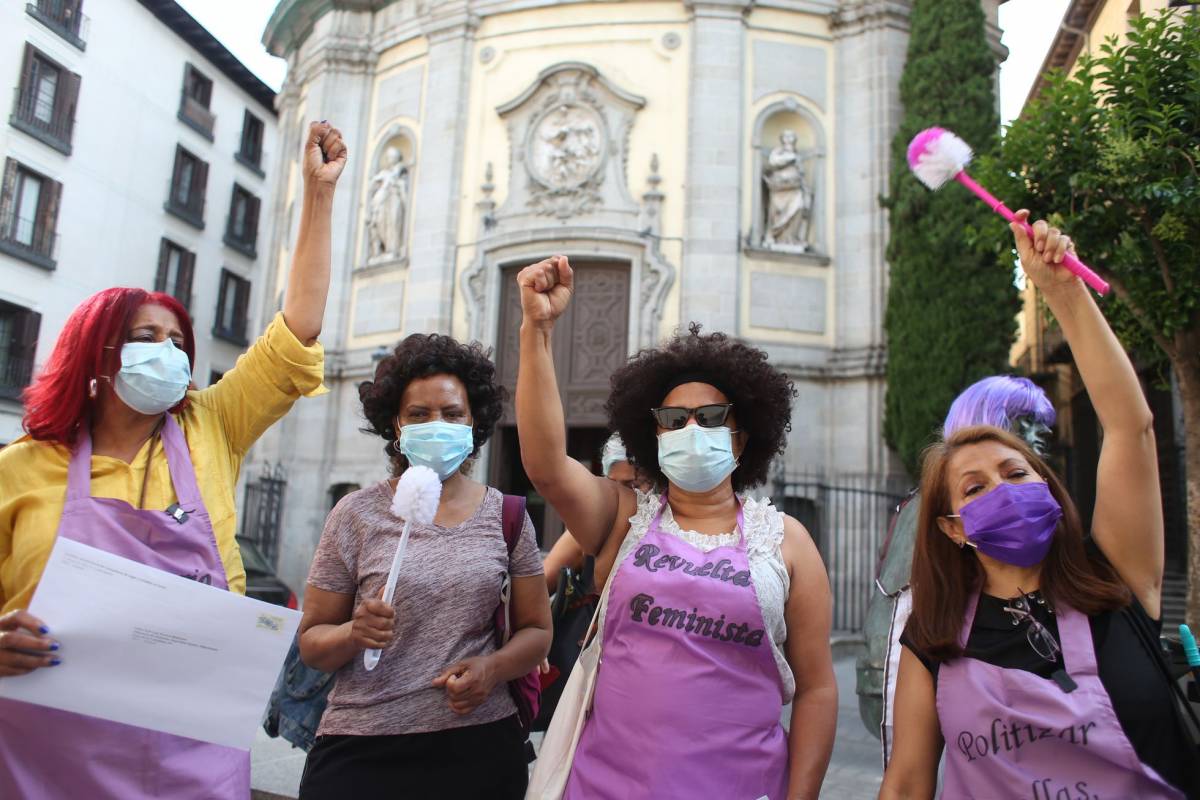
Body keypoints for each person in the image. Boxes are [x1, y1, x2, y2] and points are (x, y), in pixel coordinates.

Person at [0, 121, 346, 798]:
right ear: (96, 352)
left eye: (177, 339)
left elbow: (297, 326)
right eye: (145, 337)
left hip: (195, 753)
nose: (169, 350)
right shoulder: (20, 467)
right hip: (45, 756)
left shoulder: (211, 425)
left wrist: (318, 193)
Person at [879, 213, 1200, 799]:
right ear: (953, 528)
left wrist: (1061, 290)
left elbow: (1130, 427)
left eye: (1015, 472)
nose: (1001, 490)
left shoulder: (1116, 580)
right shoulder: (933, 638)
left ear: (1048, 488)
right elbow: (905, 784)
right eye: (975, 488)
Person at [517, 256, 837, 799]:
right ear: (655, 436)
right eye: (673, 420)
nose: (692, 429)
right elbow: (547, 465)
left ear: (741, 437)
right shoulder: (622, 517)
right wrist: (538, 331)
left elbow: (818, 689)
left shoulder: (786, 541)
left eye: (711, 418)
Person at [296, 333, 552, 799]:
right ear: (395, 424)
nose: (438, 424)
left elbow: (537, 631)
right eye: (419, 414)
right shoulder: (355, 514)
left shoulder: (508, 515)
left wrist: (493, 669)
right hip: (362, 749)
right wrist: (354, 633)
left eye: (452, 413)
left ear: (474, 422)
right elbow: (312, 644)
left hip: (479, 749)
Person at [861, 375, 1056, 761]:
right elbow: (902, 622)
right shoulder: (929, 511)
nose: (1038, 438)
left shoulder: (1040, 508)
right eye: (1024, 423)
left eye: (1041, 428)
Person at [541, 434, 644, 595]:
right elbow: (537, 590)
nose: (620, 494)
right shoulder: (588, 532)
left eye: (631, 486)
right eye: (611, 484)